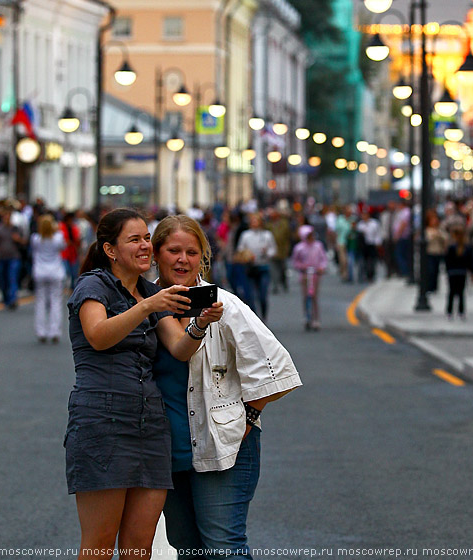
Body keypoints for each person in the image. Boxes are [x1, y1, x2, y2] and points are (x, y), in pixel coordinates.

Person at [151, 214, 302, 559]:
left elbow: (277, 368)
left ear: (202, 256)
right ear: (157, 254)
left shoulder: (224, 305)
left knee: (223, 548)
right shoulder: (147, 306)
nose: (182, 260)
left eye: (191, 252)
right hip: (167, 450)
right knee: (187, 549)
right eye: (173, 250)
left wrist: (248, 416)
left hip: (225, 446)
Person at [64, 207, 203, 559]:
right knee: (98, 545)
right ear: (111, 250)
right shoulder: (94, 285)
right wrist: (147, 306)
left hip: (150, 426)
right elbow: (97, 335)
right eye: (135, 239)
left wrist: (199, 325)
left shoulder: (148, 291)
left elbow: (179, 348)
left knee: (139, 549)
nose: (145, 246)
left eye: (146, 238)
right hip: (102, 421)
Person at [30, 213, 66, 343]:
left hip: (40, 271)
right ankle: (54, 331)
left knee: (40, 302)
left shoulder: (35, 238)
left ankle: (41, 331)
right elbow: (64, 246)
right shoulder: (57, 238)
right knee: (55, 301)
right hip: (55, 271)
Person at [235, 211, 277, 321]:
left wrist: (267, 252)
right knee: (250, 296)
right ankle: (254, 318)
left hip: (263, 267)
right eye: (252, 221)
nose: (254, 223)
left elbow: (273, 250)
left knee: (262, 295)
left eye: (256, 221)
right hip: (250, 268)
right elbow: (240, 248)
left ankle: (263, 316)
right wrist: (247, 254)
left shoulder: (267, 235)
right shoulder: (246, 235)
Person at [291, 224, 327, 330]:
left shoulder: (318, 246)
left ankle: (316, 318)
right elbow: (295, 261)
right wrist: (302, 267)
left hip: (315, 274)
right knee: (306, 296)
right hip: (305, 275)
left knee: (314, 296)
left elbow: (323, 259)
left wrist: (321, 267)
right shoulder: (299, 248)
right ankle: (306, 316)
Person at [0, 204, 26, 309]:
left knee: (12, 278)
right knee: (2, 279)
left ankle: (12, 300)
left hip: (14, 256)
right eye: (5, 216)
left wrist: (18, 239)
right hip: (2, 257)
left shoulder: (15, 228)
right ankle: (6, 298)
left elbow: (24, 241)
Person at [445, 223, 473, 319]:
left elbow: (447, 261)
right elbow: (470, 262)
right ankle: (461, 311)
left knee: (451, 292)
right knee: (461, 293)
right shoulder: (467, 248)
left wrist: (448, 270)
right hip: (462, 272)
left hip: (452, 272)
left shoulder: (451, 247)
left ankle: (449, 311)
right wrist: (472, 272)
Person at [425, 209, 447, 294]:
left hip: (438, 252)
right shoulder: (427, 230)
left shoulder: (439, 229)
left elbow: (445, 238)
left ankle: (434, 287)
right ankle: (429, 286)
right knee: (431, 270)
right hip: (430, 252)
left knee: (436, 270)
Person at [60, 211, 81, 292]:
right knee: (66, 271)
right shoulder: (61, 228)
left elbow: (77, 240)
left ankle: (72, 288)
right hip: (65, 254)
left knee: (74, 273)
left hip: (73, 253)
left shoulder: (74, 228)